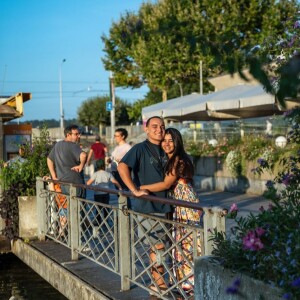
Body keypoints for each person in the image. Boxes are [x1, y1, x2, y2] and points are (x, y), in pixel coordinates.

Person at [139, 127, 202, 295]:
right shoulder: (174, 158)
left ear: (177, 142)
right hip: (182, 201)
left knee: (186, 240)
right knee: (183, 240)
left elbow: (167, 184)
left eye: (170, 141)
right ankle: (185, 282)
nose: (166, 144)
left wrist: (142, 187)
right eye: (164, 141)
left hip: (185, 202)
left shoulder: (177, 159)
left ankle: (189, 283)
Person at [118, 116, 172, 294]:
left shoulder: (166, 147)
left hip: (167, 205)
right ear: (146, 129)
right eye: (155, 126)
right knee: (157, 246)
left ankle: (162, 281)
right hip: (149, 205)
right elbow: (122, 166)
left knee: (165, 245)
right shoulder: (140, 148)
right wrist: (134, 190)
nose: (159, 129)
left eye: (162, 126)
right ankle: (158, 284)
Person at [47, 124, 87, 199]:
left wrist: (54, 176)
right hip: (75, 184)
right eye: (76, 134)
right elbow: (84, 155)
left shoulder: (58, 145)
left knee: (69, 208)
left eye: (79, 134)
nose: (79, 136)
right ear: (68, 135)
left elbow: (49, 159)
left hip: (63, 183)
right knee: (79, 209)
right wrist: (81, 165)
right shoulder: (73, 145)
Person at [86, 159, 122, 225]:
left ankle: (98, 222)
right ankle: (106, 222)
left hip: (97, 194)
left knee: (98, 208)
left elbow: (88, 183)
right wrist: (120, 188)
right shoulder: (108, 174)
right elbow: (115, 182)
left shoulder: (95, 174)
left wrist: (93, 187)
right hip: (106, 193)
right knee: (106, 208)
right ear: (104, 166)